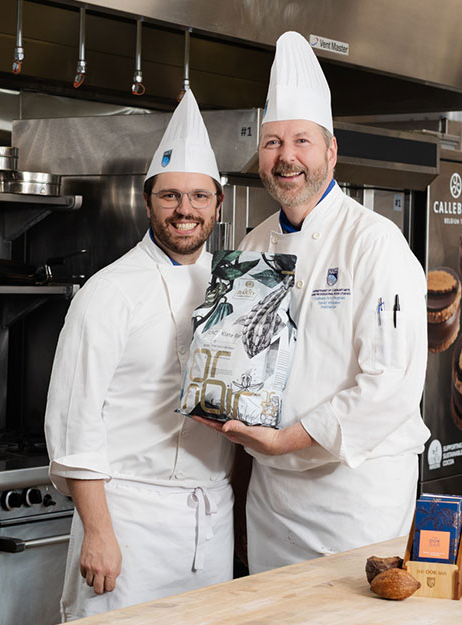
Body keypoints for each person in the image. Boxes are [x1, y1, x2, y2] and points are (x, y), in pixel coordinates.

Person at [194, 31, 430, 573]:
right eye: (273, 142)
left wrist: (286, 441)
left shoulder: (375, 243)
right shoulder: (253, 245)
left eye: (301, 141)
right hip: (273, 500)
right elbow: (240, 360)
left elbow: (390, 383)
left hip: (355, 496)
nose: (286, 158)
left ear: (330, 151)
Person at [44, 90, 235, 621]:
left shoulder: (233, 288)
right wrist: (98, 533)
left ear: (218, 205)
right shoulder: (109, 291)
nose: (185, 210)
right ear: (148, 201)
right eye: (171, 196)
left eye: (199, 196)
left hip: (210, 521)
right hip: (128, 520)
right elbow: (73, 422)